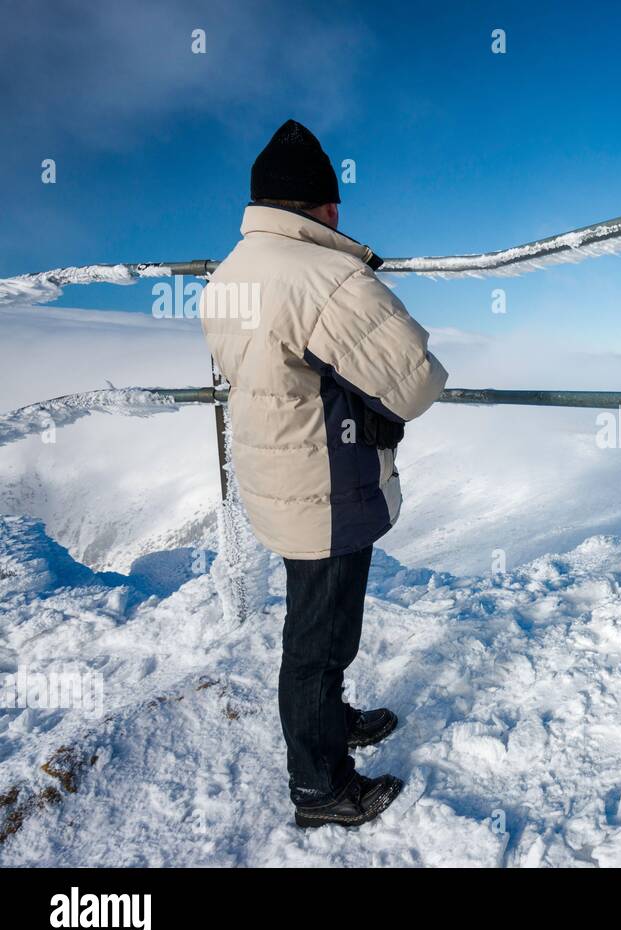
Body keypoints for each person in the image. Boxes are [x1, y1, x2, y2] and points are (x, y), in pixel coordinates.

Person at [200, 119, 448, 828]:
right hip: (326, 486)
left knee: (314, 624)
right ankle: (320, 787)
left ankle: (327, 722)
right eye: (334, 202)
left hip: (276, 476)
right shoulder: (326, 276)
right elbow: (416, 379)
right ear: (323, 207)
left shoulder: (227, 276)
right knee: (319, 641)